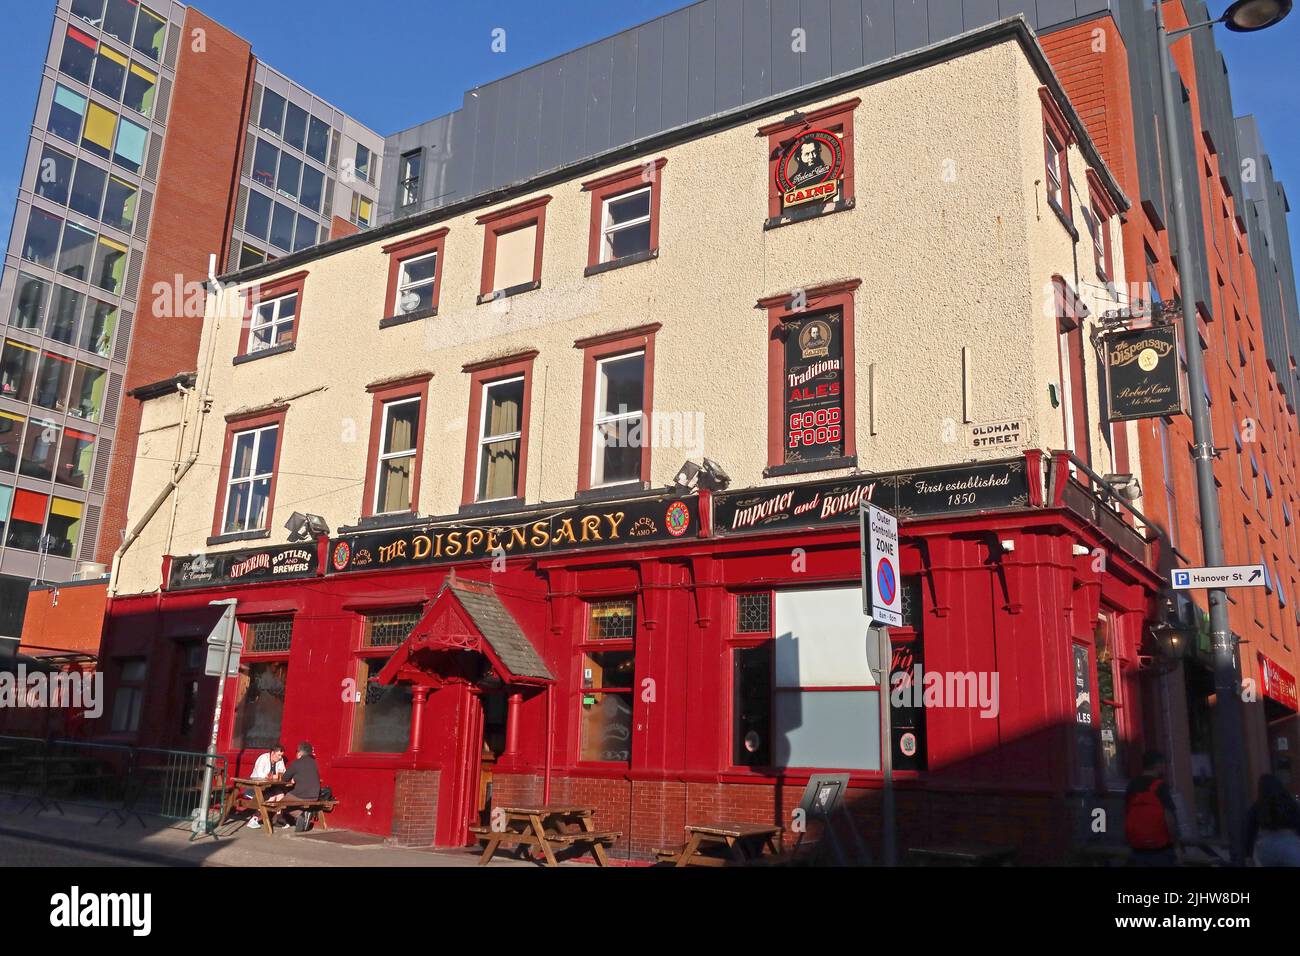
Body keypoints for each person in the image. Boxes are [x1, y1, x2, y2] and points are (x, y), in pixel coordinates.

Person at [1125, 750, 1180, 866]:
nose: (1164, 767)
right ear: (1157, 765)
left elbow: (1126, 814)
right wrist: (1177, 845)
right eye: (1163, 764)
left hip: (1137, 849)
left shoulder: (1131, 786)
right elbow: (1169, 818)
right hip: (1160, 851)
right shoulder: (1160, 786)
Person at [1245, 773, 1300, 866]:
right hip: (1289, 845)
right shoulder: (1290, 803)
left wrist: (1248, 856)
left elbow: (1250, 831)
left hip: (1266, 847)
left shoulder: (1258, 806)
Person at [272, 741, 321, 831]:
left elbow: (284, 779)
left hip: (301, 795)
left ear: (300, 753)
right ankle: (304, 815)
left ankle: (300, 815)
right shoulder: (314, 763)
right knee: (289, 801)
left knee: (280, 804)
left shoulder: (296, 763)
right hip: (315, 795)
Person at [245, 743, 285, 829]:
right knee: (271, 797)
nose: (280, 757)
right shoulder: (263, 758)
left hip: (269, 787)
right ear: (272, 753)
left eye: (281, 755)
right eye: (278, 755)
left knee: (281, 794)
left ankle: (278, 818)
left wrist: (275, 776)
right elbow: (260, 774)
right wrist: (274, 776)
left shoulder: (280, 760)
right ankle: (254, 819)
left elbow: (283, 772)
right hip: (256, 787)